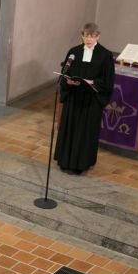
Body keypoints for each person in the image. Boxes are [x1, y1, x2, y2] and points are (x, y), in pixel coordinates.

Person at [54, 22, 115, 175]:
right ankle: (65, 161)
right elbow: (65, 71)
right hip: (74, 97)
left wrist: (92, 82)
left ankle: (82, 164)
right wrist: (68, 81)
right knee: (70, 129)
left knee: (85, 132)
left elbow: (108, 81)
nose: (88, 39)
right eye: (86, 36)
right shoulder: (74, 52)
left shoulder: (105, 55)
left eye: (92, 36)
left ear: (98, 36)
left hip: (91, 100)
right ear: (82, 36)